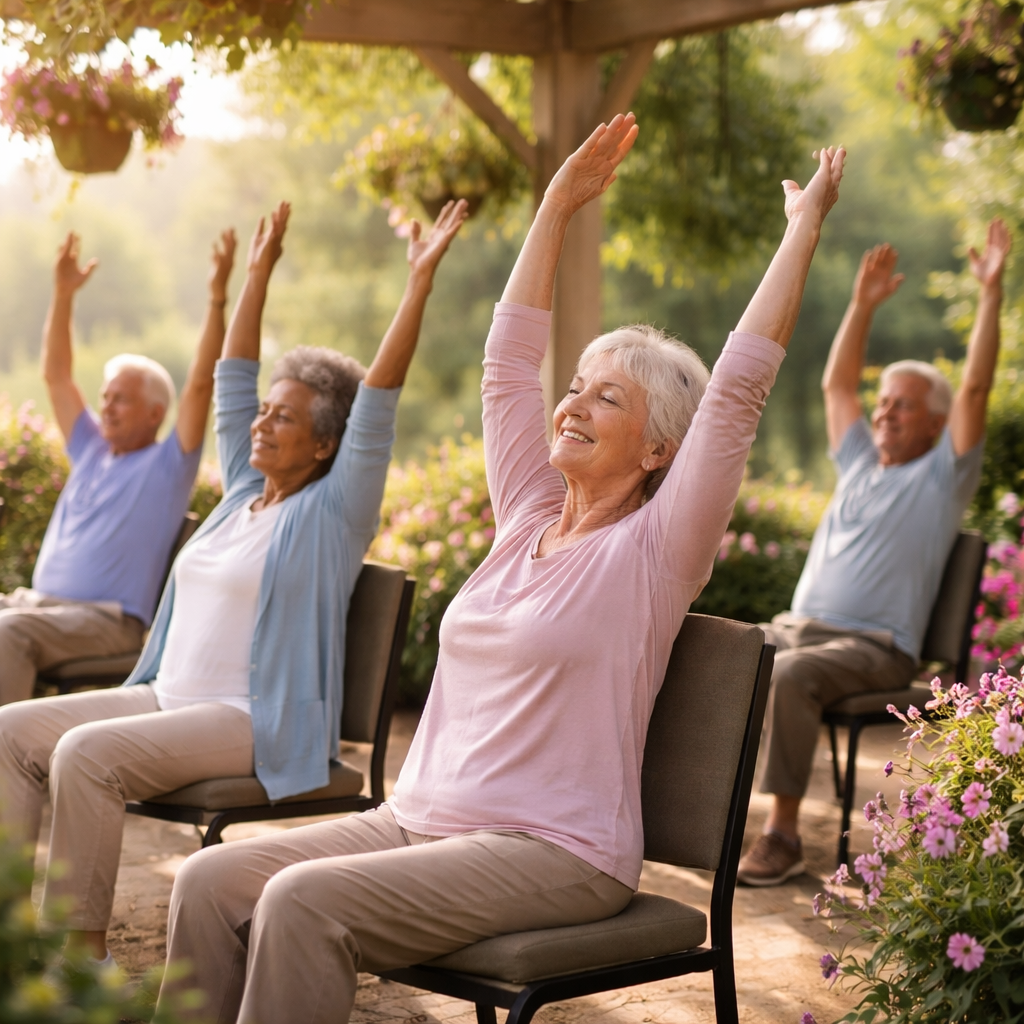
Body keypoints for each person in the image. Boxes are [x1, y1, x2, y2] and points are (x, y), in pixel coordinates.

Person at [154, 114, 845, 1024]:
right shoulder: (523, 517)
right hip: (418, 820)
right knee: (207, 880)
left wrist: (801, 234)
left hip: (555, 850)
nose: (574, 403)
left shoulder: (655, 549)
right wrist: (556, 205)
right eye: (576, 387)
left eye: (610, 396)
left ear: (658, 450)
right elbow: (507, 361)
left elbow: (740, 388)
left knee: (300, 902)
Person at [0, 197, 468, 968]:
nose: (261, 424)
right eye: (266, 414)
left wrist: (417, 283)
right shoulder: (244, 495)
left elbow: (377, 405)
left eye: (284, 419)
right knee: (15, 729)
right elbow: (233, 378)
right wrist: (255, 275)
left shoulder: (332, 514)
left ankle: (79, 964)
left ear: (324, 445)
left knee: (84, 753)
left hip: (251, 718)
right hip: (167, 694)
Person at [737, 220, 1011, 887]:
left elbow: (974, 389)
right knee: (708, 649)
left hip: (875, 645)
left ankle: (782, 835)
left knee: (790, 675)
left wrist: (991, 295)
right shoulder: (860, 463)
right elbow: (837, 389)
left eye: (903, 406)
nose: (883, 413)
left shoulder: (943, 478)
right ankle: (686, 810)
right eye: (882, 401)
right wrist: (861, 306)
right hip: (801, 628)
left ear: (938, 426)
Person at [0, 228, 238, 704]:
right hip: (39, 608)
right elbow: (57, 374)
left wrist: (215, 302)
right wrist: (63, 295)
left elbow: (198, 388)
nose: (105, 408)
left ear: (155, 414)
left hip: (108, 622)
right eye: (105, 397)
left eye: (121, 400)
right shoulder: (90, 448)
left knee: (7, 635)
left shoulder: (169, 465)